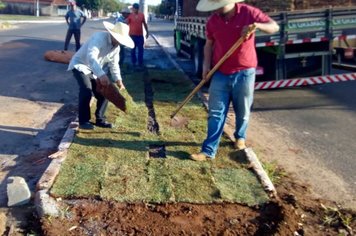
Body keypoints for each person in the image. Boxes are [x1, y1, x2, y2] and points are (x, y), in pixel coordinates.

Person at [190, 0, 279, 161]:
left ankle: (240, 137)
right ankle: (208, 150)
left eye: (218, 7)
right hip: (220, 72)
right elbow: (208, 45)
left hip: (245, 73)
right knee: (215, 112)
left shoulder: (248, 13)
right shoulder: (213, 21)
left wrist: (257, 26)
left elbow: (274, 26)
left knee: (242, 110)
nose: (215, 10)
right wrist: (205, 67)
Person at [68, 21, 134, 130]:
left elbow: (114, 65)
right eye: (119, 39)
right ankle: (84, 121)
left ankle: (100, 119)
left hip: (95, 69)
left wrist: (118, 80)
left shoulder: (116, 48)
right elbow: (91, 57)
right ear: (112, 35)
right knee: (86, 90)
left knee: (105, 92)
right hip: (80, 64)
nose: (119, 43)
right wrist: (101, 75)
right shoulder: (99, 38)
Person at [126, 3, 149, 68]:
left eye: (135, 8)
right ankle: (133, 63)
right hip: (132, 36)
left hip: (140, 36)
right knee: (132, 50)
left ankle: (140, 63)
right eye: (133, 8)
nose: (133, 9)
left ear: (137, 9)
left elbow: (144, 24)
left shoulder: (142, 15)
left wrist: (147, 32)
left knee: (140, 50)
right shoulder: (130, 16)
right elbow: (126, 23)